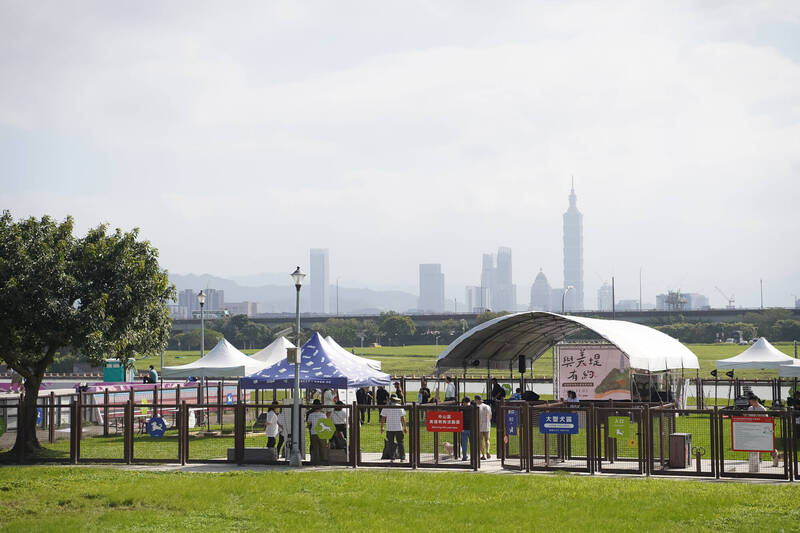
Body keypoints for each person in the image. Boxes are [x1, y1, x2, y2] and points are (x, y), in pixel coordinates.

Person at [380, 394, 407, 461]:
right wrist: (405, 427)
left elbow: (383, 418)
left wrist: (382, 427)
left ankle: (392, 458)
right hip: (398, 427)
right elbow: (403, 418)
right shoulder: (400, 407)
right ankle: (402, 457)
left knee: (391, 443)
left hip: (389, 428)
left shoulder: (386, 407)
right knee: (400, 443)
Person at [306, 399, 328, 465]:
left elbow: (308, 424)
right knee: (323, 447)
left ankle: (315, 461)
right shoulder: (323, 415)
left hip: (313, 433)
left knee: (315, 448)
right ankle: (323, 461)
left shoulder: (310, 415)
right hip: (322, 433)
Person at [475, 395, 492, 460]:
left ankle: (483, 455)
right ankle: (488, 451)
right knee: (487, 440)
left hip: (479, 426)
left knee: (480, 440)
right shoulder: (488, 406)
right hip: (487, 425)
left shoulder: (477, 407)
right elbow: (490, 416)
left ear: (477, 400)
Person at [460, 397, 473, 462]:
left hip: (464, 428)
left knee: (464, 444)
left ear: (464, 402)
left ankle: (464, 456)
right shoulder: (473, 408)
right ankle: (473, 456)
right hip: (472, 428)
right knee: (472, 443)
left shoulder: (462, 408)